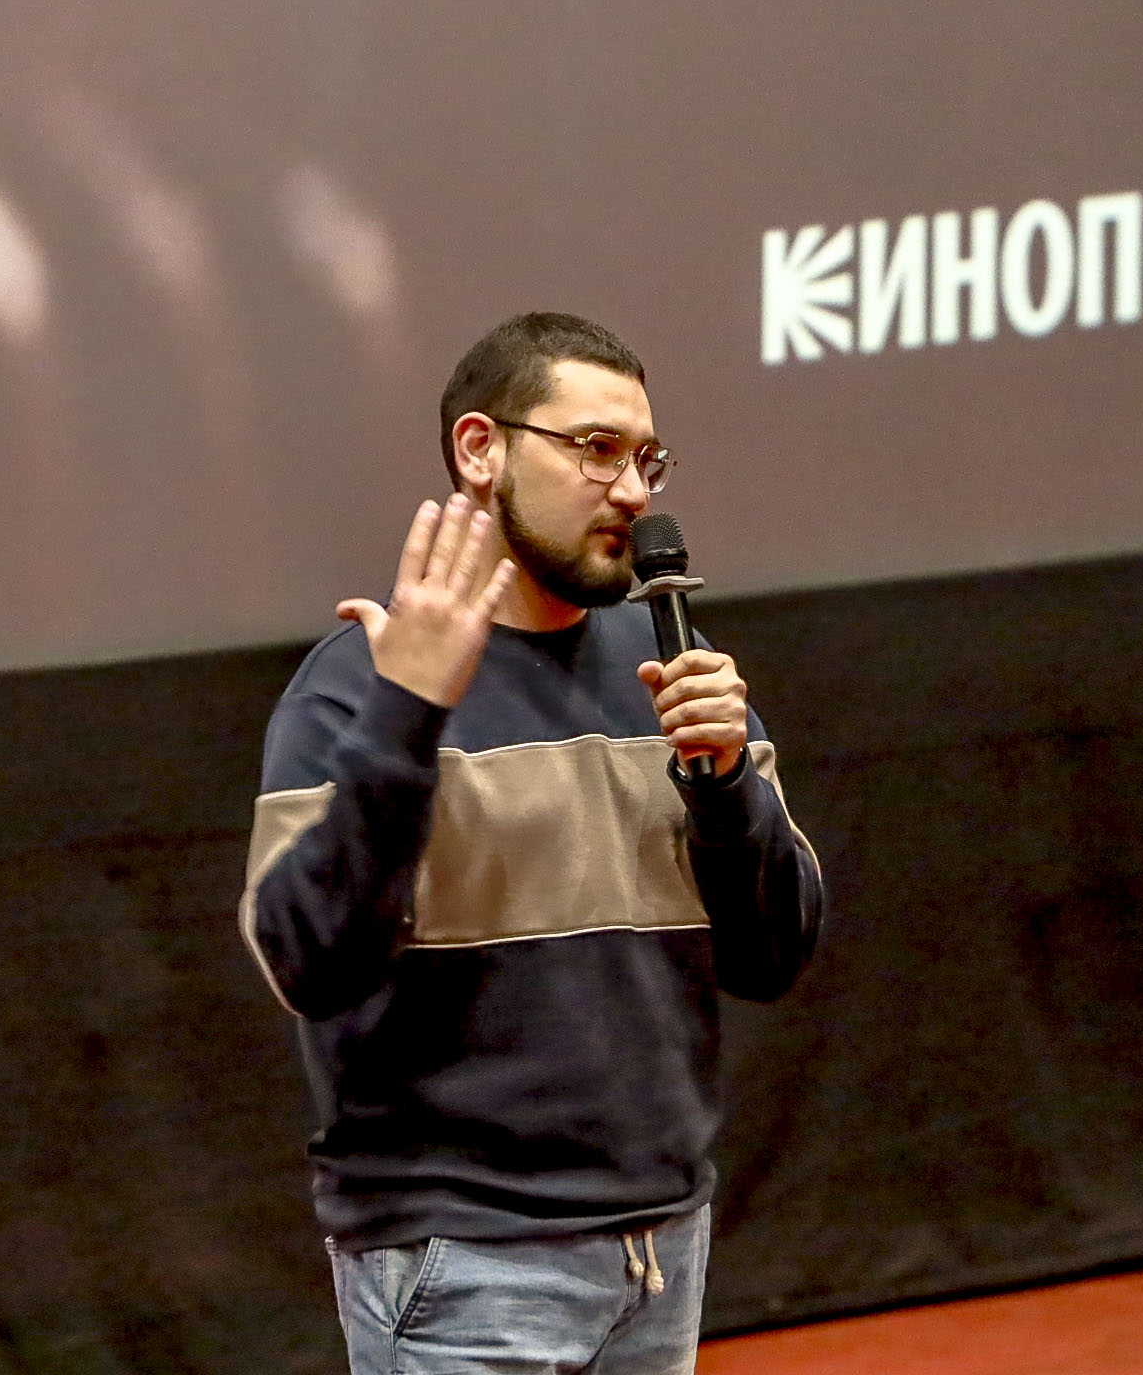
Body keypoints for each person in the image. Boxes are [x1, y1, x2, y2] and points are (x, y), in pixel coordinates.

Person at [241, 313, 825, 1374]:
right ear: (482, 449)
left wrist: (726, 781)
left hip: (659, 1248)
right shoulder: (358, 686)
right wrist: (408, 716)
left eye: (645, 458)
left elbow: (773, 954)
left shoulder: (674, 671)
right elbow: (308, 961)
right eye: (596, 448)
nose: (633, 490)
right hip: (464, 1259)